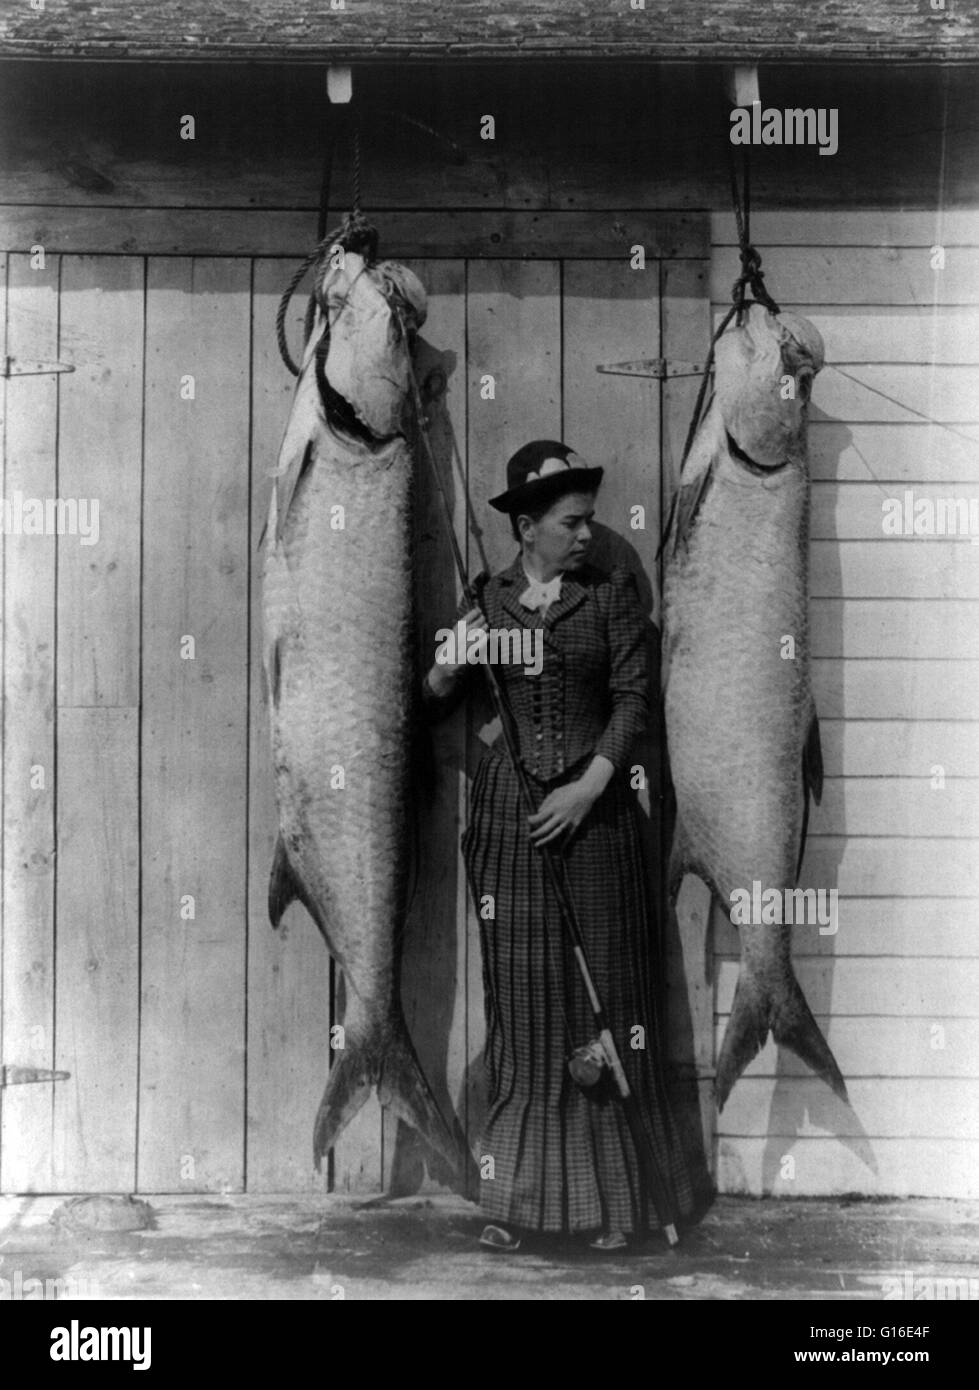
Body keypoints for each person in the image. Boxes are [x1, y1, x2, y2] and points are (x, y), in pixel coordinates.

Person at [423, 440, 694, 1251]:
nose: (586, 536)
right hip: (509, 826)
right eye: (571, 523)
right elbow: (436, 698)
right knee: (527, 1007)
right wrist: (447, 669)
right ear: (528, 527)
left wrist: (589, 785)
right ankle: (516, 1204)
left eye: (589, 522)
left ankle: (622, 1207)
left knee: (606, 999)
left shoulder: (608, 597)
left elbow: (633, 701)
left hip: (597, 818)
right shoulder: (488, 601)